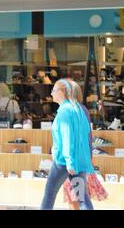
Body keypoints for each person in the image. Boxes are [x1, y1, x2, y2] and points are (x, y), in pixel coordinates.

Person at [40, 79, 94, 210]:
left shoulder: (64, 111)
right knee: (82, 197)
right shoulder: (78, 109)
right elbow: (87, 134)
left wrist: (69, 162)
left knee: (49, 193)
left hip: (64, 161)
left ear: (62, 92)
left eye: (53, 90)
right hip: (79, 160)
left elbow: (67, 137)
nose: (51, 93)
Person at [62, 80, 108, 210]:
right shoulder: (83, 109)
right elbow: (87, 135)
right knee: (78, 194)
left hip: (72, 157)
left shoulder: (69, 110)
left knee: (76, 195)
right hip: (83, 156)